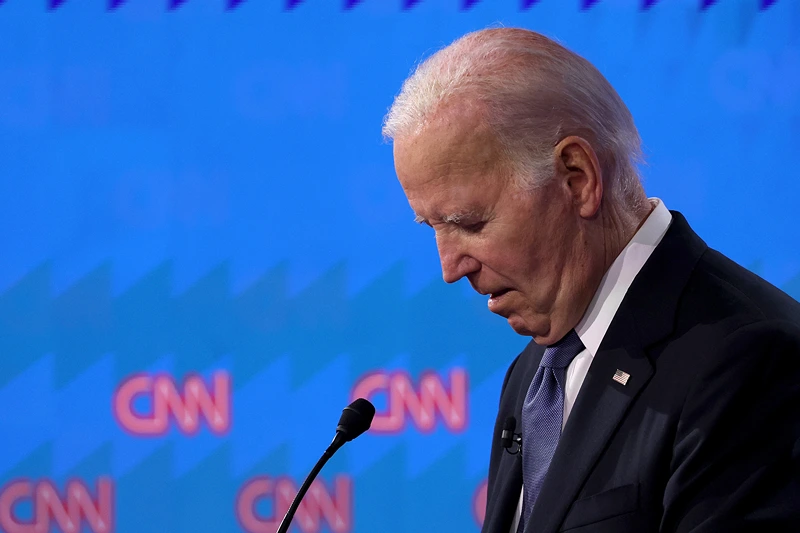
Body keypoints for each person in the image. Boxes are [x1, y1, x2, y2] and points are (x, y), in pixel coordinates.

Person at [382, 27, 800, 533]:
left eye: (470, 223)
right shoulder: (534, 373)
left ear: (576, 178)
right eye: (433, 228)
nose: (450, 268)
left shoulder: (748, 360)